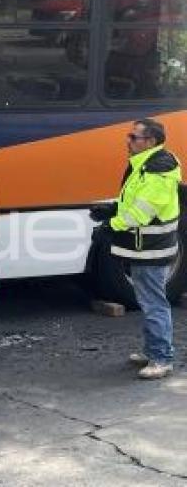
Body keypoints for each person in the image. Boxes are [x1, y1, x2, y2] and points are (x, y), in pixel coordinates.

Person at [90, 118, 181, 379]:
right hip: (145, 247)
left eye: (133, 137)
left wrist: (111, 225)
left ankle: (161, 358)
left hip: (151, 249)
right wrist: (112, 208)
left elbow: (142, 213)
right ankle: (153, 350)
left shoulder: (157, 171)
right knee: (149, 301)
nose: (127, 141)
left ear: (150, 141)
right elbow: (134, 201)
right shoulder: (146, 165)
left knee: (154, 303)